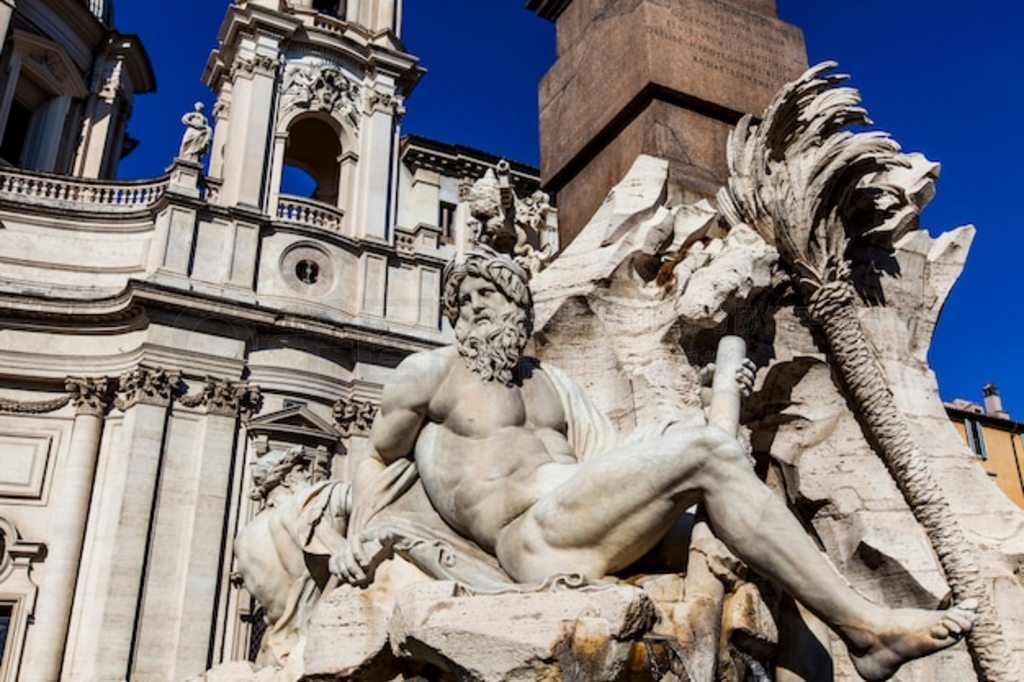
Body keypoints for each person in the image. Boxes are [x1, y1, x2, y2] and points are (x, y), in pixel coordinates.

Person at [332, 249, 976, 681]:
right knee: (703, 453)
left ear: (518, 307)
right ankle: (866, 627)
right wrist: (355, 545)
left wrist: (711, 403)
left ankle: (835, 662)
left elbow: (609, 464)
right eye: (464, 298)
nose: (476, 308)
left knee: (752, 550)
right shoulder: (430, 375)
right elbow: (379, 459)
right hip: (529, 539)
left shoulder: (553, 385)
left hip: (585, 516)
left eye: (490, 295)